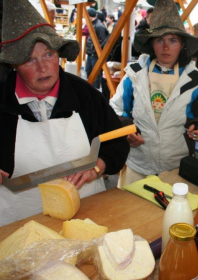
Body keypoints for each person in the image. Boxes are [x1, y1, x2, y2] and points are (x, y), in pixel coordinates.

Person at [0, 0, 130, 226]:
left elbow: (118, 141)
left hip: (86, 212)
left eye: (48, 55)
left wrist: (98, 167)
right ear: (14, 65)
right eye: (30, 60)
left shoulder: (85, 95)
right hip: (21, 218)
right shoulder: (2, 100)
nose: (43, 67)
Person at [110, 0, 198, 185]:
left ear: (182, 44)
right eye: (160, 40)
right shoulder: (134, 75)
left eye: (172, 40)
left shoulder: (196, 82)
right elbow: (116, 109)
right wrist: (126, 129)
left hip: (175, 168)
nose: (166, 47)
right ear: (151, 44)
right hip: (137, 164)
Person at [85, 8, 108, 89]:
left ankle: (95, 91)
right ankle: (91, 89)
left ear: (90, 16)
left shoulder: (99, 26)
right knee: (88, 72)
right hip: (90, 53)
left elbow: (102, 40)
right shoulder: (94, 24)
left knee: (96, 74)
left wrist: (94, 50)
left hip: (95, 54)